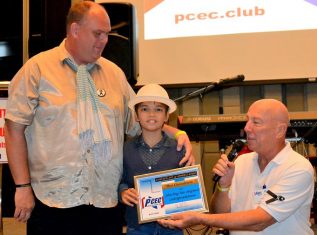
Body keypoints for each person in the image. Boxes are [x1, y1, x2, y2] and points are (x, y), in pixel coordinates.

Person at [4, 2, 194, 235]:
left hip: (105, 202)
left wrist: (178, 134)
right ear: (75, 30)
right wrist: (22, 186)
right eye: (98, 33)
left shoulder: (114, 74)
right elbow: (13, 129)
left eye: (107, 33)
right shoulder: (37, 70)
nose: (104, 40)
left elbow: (143, 123)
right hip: (53, 202)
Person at [158, 99, 315, 235]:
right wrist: (223, 187)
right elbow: (220, 213)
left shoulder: (298, 168)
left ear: (279, 130)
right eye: (247, 120)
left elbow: (260, 221)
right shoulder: (241, 162)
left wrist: (199, 218)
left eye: (256, 122)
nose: (247, 127)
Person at [119, 83, 184, 235]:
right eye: (144, 109)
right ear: (136, 115)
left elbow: (187, 186)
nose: (152, 114)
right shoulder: (125, 149)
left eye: (159, 109)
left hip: (172, 228)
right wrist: (122, 192)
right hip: (136, 227)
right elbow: (118, 180)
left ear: (167, 116)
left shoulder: (180, 150)